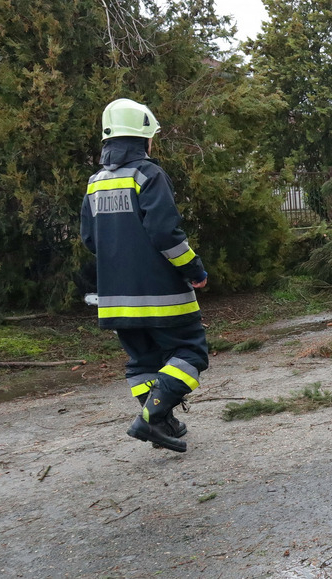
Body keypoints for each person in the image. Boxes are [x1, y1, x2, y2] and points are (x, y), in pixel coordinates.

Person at [80, 99, 209, 453]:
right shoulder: (147, 175)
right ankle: (150, 420)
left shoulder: (95, 183)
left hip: (115, 299)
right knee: (191, 353)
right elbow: (166, 235)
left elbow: (91, 240)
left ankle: (162, 423)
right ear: (143, 139)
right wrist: (194, 271)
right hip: (161, 295)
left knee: (142, 362)